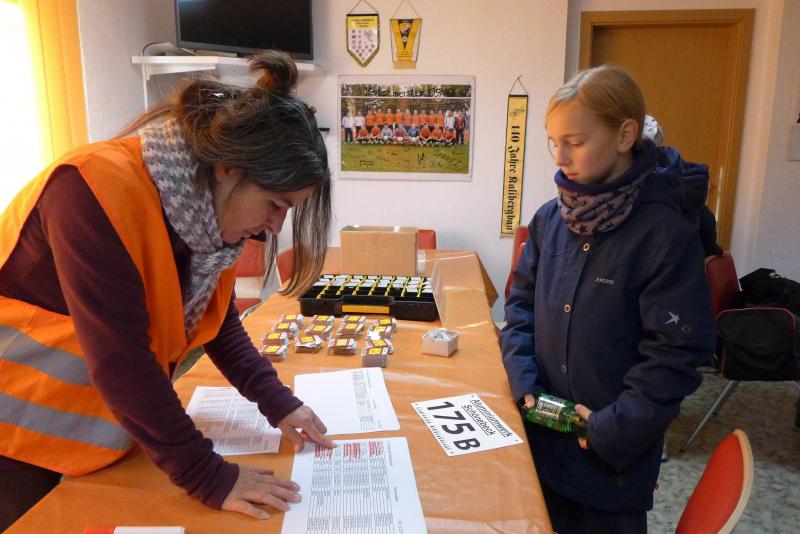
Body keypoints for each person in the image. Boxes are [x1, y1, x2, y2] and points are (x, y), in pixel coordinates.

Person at [0, 50, 336, 530]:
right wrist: (209, 476)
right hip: (14, 438)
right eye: (275, 204)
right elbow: (123, 362)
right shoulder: (88, 192)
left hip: (95, 431)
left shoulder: (206, 223)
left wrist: (278, 402)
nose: (274, 227)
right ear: (229, 168)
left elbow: (217, 323)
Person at [500, 65, 715, 534]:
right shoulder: (549, 220)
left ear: (624, 135)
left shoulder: (664, 233)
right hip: (543, 441)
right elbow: (520, 308)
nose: (561, 157)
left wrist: (614, 427)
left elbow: (675, 354)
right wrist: (521, 375)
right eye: (553, 142)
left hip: (610, 460)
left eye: (575, 142)